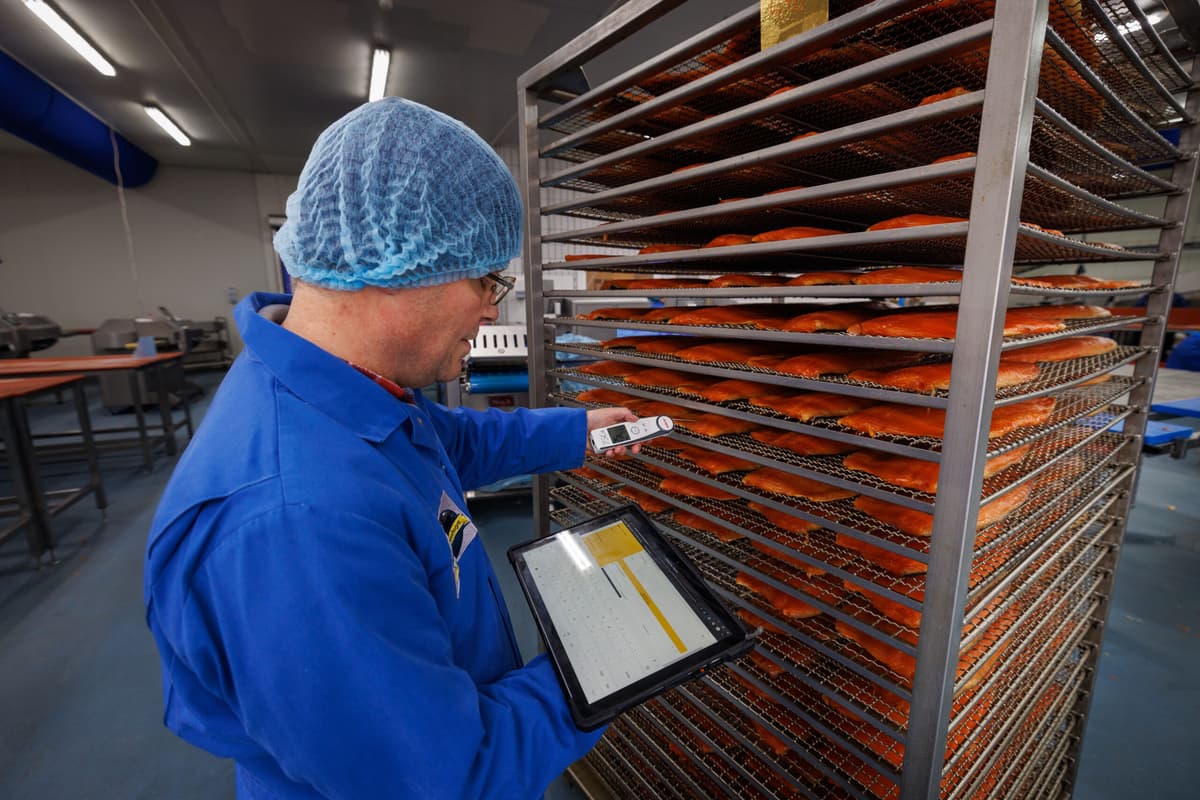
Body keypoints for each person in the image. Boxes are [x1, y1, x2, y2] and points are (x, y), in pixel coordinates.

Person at [144, 98, 641, 799]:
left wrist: (572, 432)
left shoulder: (338, 389)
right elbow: (450, 779)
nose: (492, 308)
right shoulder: (299, 524)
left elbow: (442, 441)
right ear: (396, 267)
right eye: (484, 279)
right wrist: (604, 658)